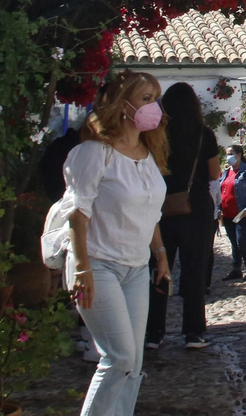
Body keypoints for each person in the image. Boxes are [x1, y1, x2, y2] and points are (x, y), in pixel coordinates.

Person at [62, 70, 172, 416]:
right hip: (97, 264)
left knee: (133, 360)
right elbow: (77, 214)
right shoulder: (95, 153)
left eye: (156, 98)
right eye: (146, 99)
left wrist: (160, 253)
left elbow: (150, 210)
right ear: (123, 105)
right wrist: (82, 269)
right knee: (118, 356)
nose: (154, 107)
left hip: (136, 268)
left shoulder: (148, 152)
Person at [144, 82, 220, 350]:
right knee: (194, 272)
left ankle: (153, 333)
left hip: (160, 208)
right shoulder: (204, 135)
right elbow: (214, 174)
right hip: (196, 207)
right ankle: (194, 333)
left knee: (159, 268)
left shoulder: (155, 135)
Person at [219, 143, 246, 280]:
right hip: (227, 213)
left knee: (241, 239)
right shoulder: (226, 172)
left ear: (239, 154)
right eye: (227, 154)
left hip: (242, 212)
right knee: (233, 241)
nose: (228, 157)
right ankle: (236, 268)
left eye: (231, 153)